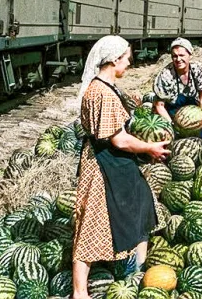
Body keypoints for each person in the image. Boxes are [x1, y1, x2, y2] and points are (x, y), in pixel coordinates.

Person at [73, 36, 170, 299]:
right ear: (114, 60)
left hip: (112, 160)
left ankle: (135, 270)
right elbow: (120, 140)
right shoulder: (102, 92)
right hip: (104, 163)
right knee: (92, 225)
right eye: (127, 59)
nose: (129, 64)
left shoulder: (103, 87)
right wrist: (149, 148)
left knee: (141, 205)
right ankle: (79, 292)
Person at [153, 38, 202, 144]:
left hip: (193, 108)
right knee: (178, 136)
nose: (178, 59)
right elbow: (159, 106)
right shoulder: (166, 75)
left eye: (182, 55)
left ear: (190, 55)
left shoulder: (197, 69)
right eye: (174, 56)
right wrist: (172, 124)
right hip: (172, 112)